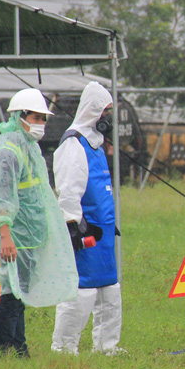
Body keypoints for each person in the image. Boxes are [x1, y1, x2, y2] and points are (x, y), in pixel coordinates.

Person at [0, 88, 78, 357]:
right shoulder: (7, 151)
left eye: (43, 119)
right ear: (21, 116)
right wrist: (6, 235)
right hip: (15, 235)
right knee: (12, 294)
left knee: (19, 293)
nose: (41, 124)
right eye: (37, 118)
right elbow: (1, 197)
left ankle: (19, 349)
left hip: (31, 234)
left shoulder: (28, 146)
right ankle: (4, 351)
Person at [50, 81, 124, 355]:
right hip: (85, 232)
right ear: (93, 112)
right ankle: (64, 348)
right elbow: (69, 191)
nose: (107, 118)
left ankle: (107, 347)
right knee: (82, 291)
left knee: (109, 290)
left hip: (103, 233)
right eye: (103, 112)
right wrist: (75, 227)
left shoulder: (96, 144)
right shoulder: (74, 144)